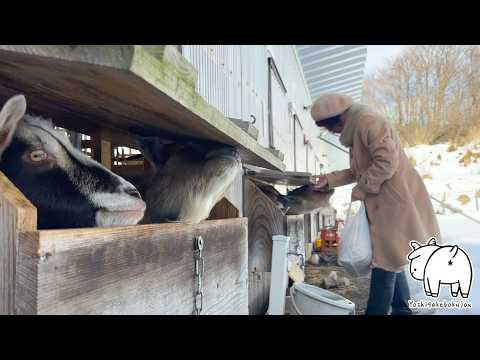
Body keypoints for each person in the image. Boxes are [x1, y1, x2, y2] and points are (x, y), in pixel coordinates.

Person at [311, 93, 441, 315]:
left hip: (395, 200)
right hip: (384, 200)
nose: (331, 132)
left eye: (329, 126)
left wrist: (362, 188)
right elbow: (358, 170)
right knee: (391, 256)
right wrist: (330, 180)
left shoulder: (369, 122)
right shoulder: (356, 126)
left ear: (339, 118)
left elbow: (386, 162)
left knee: (384, 263)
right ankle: (402, 309)